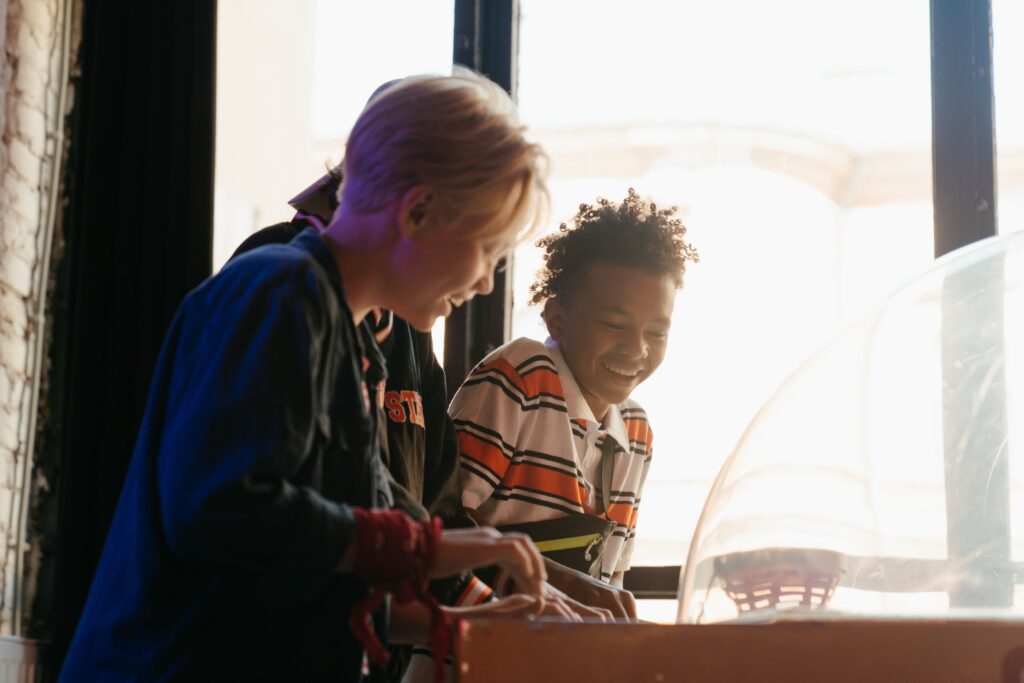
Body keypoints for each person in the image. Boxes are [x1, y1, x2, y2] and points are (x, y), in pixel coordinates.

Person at [59, 68, 551, 682]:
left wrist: (460, 626)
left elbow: (313, 575)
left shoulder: (356, 346)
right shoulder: (279, 291)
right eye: (489, 251)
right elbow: (221, 512)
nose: (484, 282)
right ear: (419, 210)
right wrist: (430, 547)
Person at [450, 189, 698, 595]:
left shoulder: (636, 432)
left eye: (656, 332)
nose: (637, 350)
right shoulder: (521, 377)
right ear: (557, 320)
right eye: (615, 325)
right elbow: (446, 521)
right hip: (477, 642)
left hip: (558, 647)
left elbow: (611, 576)